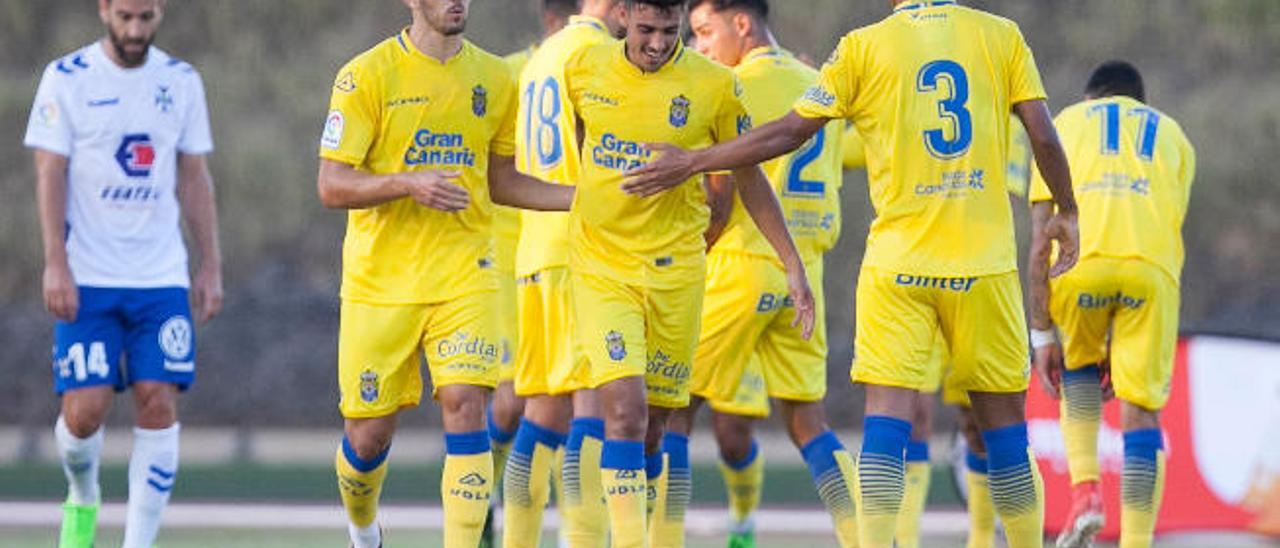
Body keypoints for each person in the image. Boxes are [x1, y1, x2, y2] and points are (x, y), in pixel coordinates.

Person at [626, 1, 1082, 546]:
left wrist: (693, 161)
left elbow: (790, 131)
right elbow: (1044, 137)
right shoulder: (1001, 36)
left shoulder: (861, 47)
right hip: (982, 265)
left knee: (884, 426)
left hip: (895, 267)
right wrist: (1067, 209)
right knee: (1004, 431)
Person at [315, 0, 574, 546]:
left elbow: (502, 182)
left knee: (466, 405)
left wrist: (584, 198)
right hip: (380, 283)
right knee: (366, 439)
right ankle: (364, 529)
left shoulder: (495, 78)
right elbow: (332, 184)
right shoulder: (366, 75)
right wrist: (408, 183)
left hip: (466, 273)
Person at [557, 1, 815, 545]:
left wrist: (792, 262)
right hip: (603, 267)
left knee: (654, 429)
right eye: (646, 29)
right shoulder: (582, 68)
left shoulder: (715, 84)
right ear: (623, 15)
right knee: (623, 413)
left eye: (670, 31)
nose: (656, 43)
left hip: (678, 271)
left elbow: (748, 177)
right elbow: (581, 154)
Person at [24, 1, 222, 546]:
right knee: (84, 413)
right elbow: (50, 173)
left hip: (160, 277)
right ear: (105, 9)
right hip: (89, 274)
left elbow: (194, 176)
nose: (136, 29)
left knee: (158, 399)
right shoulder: (66, 78)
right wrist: (55, 263)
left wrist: (210, 264)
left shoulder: (181, 81)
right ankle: (83, 494)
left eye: (147, 17)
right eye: (127, 16)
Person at [663, 1, 857, 547]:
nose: (700, 47)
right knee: (808, 424)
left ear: (741, 23)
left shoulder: (727, 86)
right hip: (805, 273)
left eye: (704, 32)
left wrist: (686, 259)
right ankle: (868, 538)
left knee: (674, 410)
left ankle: (660, 538)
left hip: (740, 262)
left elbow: (720, 199)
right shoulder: (820, 83)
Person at [1028, 60, 1196, 548]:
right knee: (1141, 408)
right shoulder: (1175, 137)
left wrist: (1042, 334)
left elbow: (1041, 239)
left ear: (1090, 99)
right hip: (1149, 270)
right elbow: (1168, 218)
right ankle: (1138, 542)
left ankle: (1085, 495)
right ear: (1139, 102)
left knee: (1077, 368)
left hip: (1083, 262)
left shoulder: (1065, 123)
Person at [502, 2, 627, 548]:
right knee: (591, 410)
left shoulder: (540, 58)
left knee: (541, 414)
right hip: (581, 253)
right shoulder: (599, 54)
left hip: (534, 253)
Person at [482, 3, 580, 545]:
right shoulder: (512, 73)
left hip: (542, 250)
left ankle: (569, 527)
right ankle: (489, 494)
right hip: (512, 250)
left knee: (562, 400)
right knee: (515, 397)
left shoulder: (533, 66)